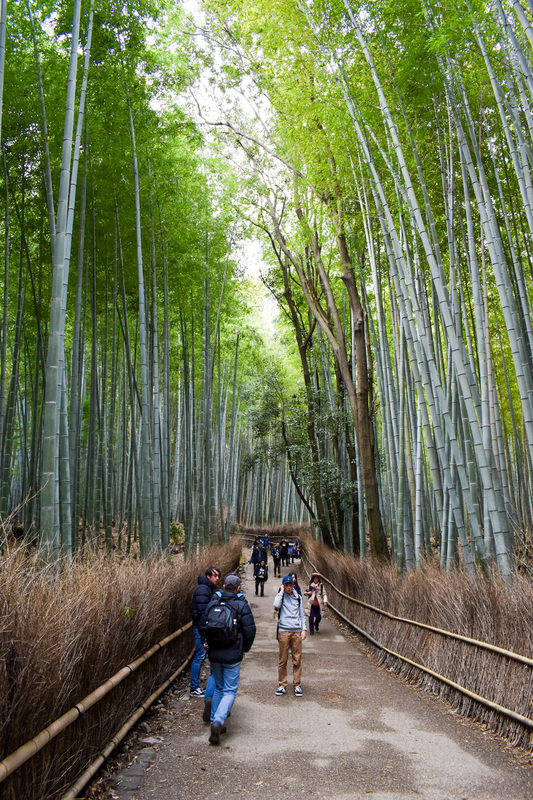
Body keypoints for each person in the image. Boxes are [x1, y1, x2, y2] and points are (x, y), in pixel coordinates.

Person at [200, 573, 256, 745]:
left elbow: (203, 625)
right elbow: (249, 630)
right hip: (232, 654)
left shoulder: (213, 603)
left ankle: (217, 721)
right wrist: (244, 648)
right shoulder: (241, 605)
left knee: (218, 687)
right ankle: (218, 721)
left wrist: (205, 642)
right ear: (238, 588)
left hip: (215, 653)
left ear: (224, 586)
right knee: (230, 690)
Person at [273, 574, 307, 697]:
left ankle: (297, 684)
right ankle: (282, 684)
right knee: (283, 659)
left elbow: (302, 614)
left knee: (297, 659)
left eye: (290, 585)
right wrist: (281, 591)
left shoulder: (298, 597)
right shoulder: (281, 597)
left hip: (296, 630)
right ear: (283, 586)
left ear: (293, 585)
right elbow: (276, 606)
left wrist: (304, 629)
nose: (288, 588)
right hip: (284, 630)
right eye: (286, 585)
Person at [189, 566, 220, 699]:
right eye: (215, 575)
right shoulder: (203, 589)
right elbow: (202, 612)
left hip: (203, 627)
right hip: (201, 628)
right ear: (208, 576)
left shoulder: (207, 589)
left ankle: (198, 686)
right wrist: (204, 630)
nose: (217, 578)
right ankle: (194, 687)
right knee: (200, 656)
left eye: (218, 575)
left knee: (202, 655)